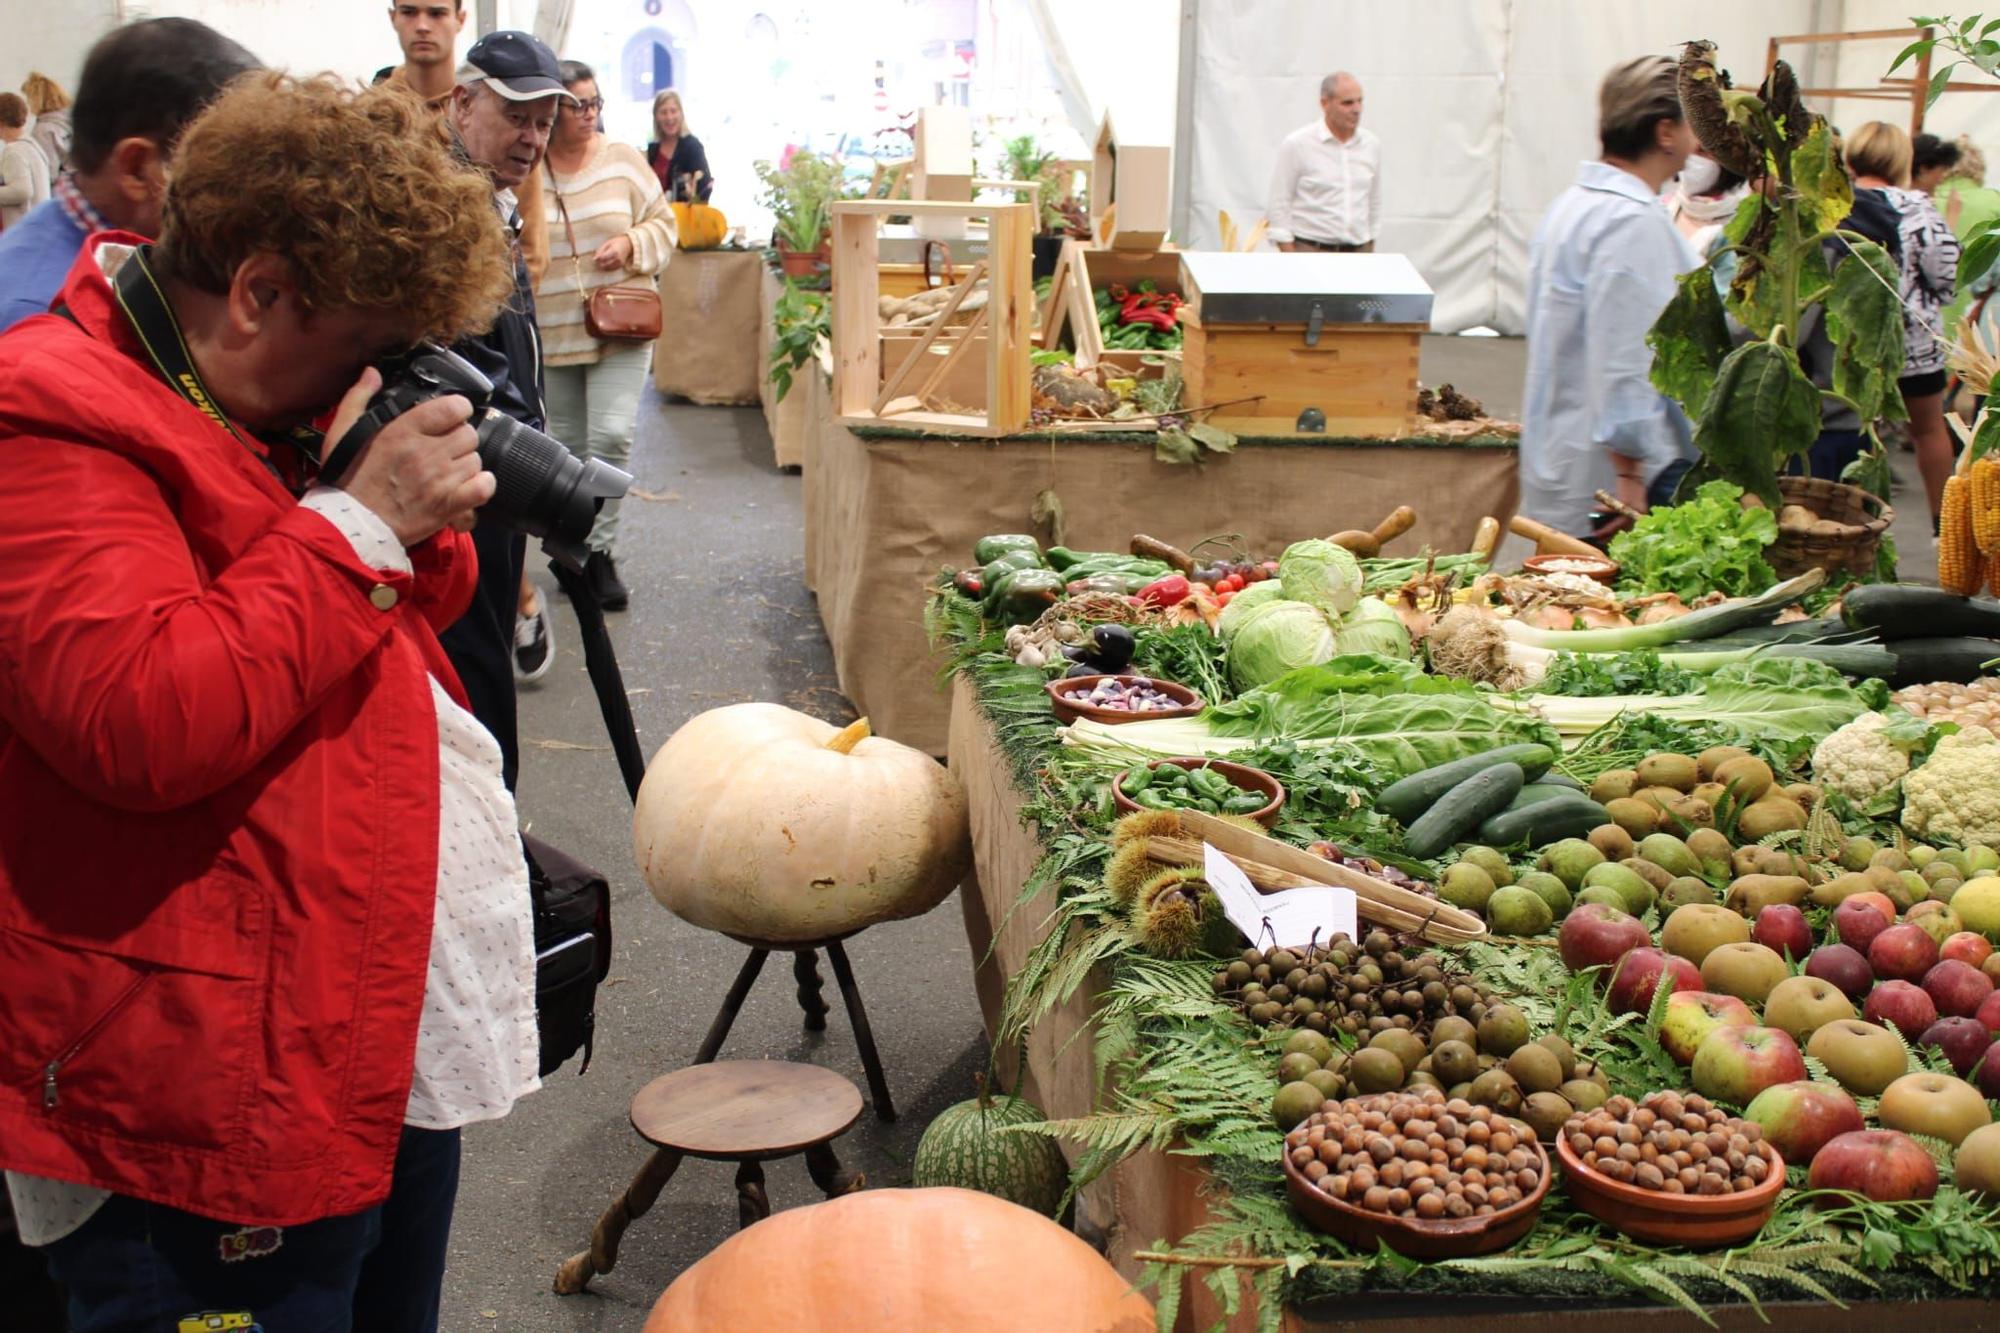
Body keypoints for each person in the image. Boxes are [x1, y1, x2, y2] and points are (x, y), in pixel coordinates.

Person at [0, 72, 536, 1331]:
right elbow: (140, 717)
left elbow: (374, 622)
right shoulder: (47, 421)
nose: (368, 384)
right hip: (192, 1095)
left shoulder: (240, 391)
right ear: (258, 293)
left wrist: (407, 512)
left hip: (344, 1025)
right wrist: (360, 520)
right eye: (362, 351)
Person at [444, 30, 576, 763]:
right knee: (474, 675)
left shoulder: (490, 195)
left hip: (494, 476)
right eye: (516, 115)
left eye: (543, 123)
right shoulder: (442, 205)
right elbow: (455, 360)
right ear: (463, 103)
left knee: (487, 652)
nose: (531, 138)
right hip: (463, 480)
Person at [1519, 55, 1698, 538]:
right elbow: (1626, 359)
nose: (1696, 141)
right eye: (1690, 125)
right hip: (1607, 479)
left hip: (1562, 456)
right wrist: (1629, 471)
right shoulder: (1630, 221)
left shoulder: (1573, 206)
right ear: (1665, 132)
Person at [0, 18, 258, 333]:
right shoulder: (38, 320)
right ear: (136, 169)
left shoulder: (134, 260)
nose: (251, 200)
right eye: (230, 171)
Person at [536, 58, 675, 610]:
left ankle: (601, 552)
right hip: (553, 332)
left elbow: (665, 223)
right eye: (578, 106)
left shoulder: (622, 161)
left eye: (596, 103)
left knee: (612, 437)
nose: (590, 115)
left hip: (623, 322)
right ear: (553, 109)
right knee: (568, 452)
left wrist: (632, 245)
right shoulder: (531, 168)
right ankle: (573, 548)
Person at [377, 1, 549, 287]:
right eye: (409, 12)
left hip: (482, 311)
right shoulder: (371, 118)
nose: (422, 26)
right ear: (393, 17)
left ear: (460, 18)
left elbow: (531, 250)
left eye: (436, 13)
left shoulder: (492, 116)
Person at [1850, 120, 1960, 525]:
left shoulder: (1832, 203)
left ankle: (1856, 525)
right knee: (1929, 430)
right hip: (1913, 343)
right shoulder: (1917, 208)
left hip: (1850, 346)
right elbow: (1948, 276)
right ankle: (1942, 526)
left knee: (1862, 432)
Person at [1267, 71, 1380, 253]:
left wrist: (1370, 244)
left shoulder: (1370, 145)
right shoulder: (1298, 144)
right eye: (1347, 103)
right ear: (1325, 104)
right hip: (1311, 249)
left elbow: (1373, 201)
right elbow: (1279, 205)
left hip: (1359, 252)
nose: (1357, 109)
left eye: (1360, 101)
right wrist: (1291, 257)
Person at [1667, 153, 1748, 259]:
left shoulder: (1744, 222)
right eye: (1689, 145)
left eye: (1702, 151)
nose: (1692, 156)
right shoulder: (1664, 205)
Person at [646, 88, 713, 201]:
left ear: (681, 114)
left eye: (673, 111)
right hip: (657, 216)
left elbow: (704, 187)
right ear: (656, 117)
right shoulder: (652, 150)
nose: (669, 117)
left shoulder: (692, 146)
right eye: (663, 112)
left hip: (684, 216)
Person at [0, 94, 51, 229]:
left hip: (25, 227)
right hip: (42, 223)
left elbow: (22, 191)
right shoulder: (33, 145)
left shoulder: (13, 151)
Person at [21, 72, 71, 175]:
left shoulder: (44, 130)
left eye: (27, 99)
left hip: (65, 185)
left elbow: (49, 172)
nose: (27, 104)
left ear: (35, 100)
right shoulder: (72, 118)